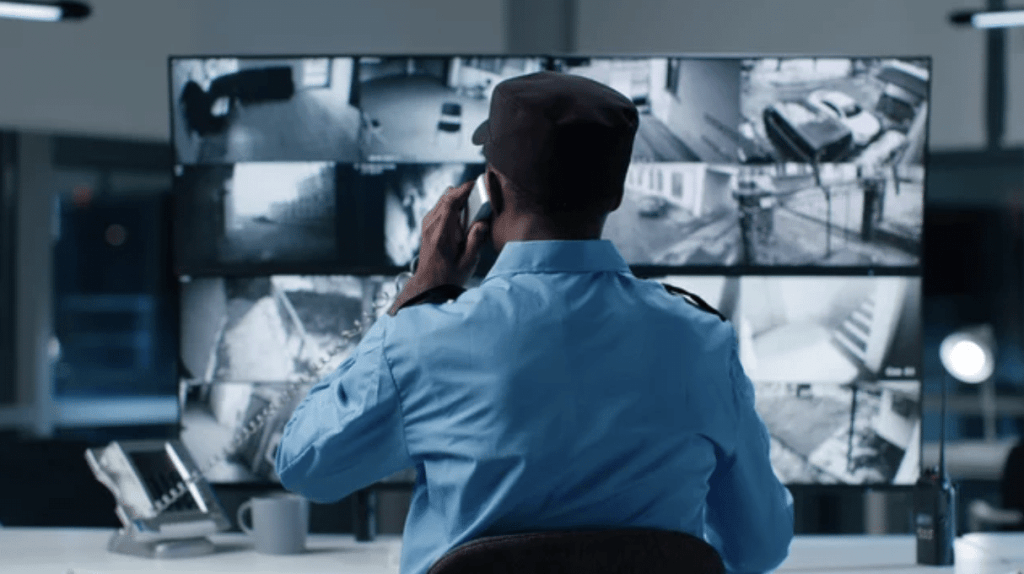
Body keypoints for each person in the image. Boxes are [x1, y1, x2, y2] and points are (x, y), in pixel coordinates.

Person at [276, 71, 794, 574]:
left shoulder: (424, 339)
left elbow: (306, 468)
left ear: (490, 193)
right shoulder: (704, 343)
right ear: (613, 196)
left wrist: (415, 295)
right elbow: (760, 548)